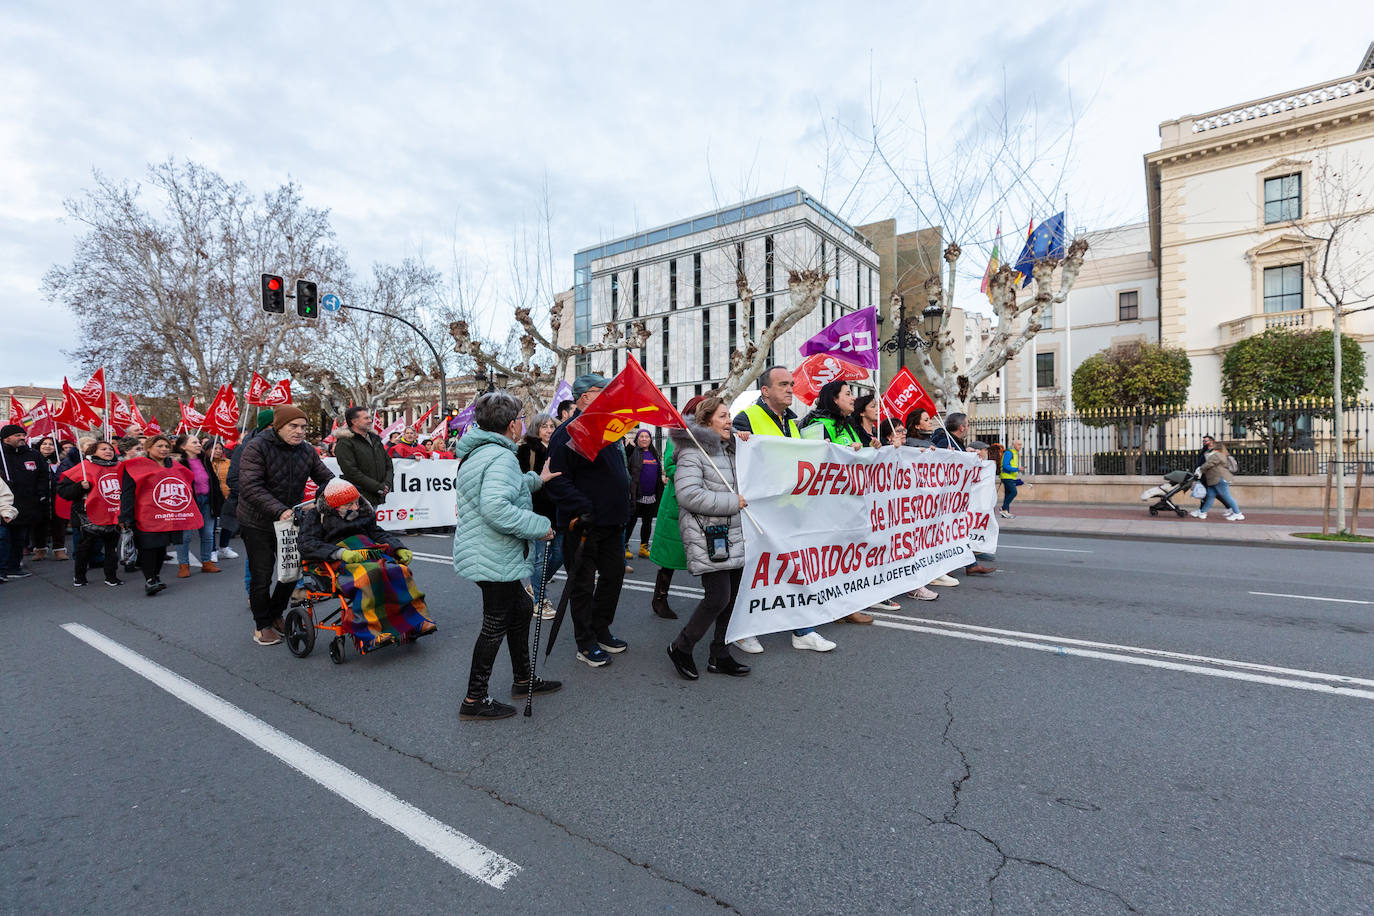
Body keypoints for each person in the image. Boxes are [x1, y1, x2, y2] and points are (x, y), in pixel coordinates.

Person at [452, 392, 561, 721]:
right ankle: (474, 699)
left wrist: (535, 480)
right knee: (495, 623)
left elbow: (503, 489)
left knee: (522, 608)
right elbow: (496, 507)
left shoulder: (484, 452)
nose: (523, 424)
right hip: (492, 553)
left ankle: (523, 678)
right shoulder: (498, 457)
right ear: (512, 424)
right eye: (521, 419)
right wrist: (538, 526)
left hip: (490, 551)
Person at [732, 367, 842, 647]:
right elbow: (739, 462)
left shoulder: (792, 423)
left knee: (798, 567)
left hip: (791, 509)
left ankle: (803, 631)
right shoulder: (747, 418)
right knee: (754, 572)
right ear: (765, 391)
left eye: (791, 384)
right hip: (760, 512)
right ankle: (744, 631)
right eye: (783, 384)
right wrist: (739, 441)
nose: (790, 389)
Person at [545, 373, 632, 668]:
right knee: (581, 586)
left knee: (613, 576)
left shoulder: (607, 430)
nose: (609, 398)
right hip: (581, 525)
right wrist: (584, 508)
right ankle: (585, 642)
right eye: (602, 392)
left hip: (612, 522)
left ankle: (601, 628)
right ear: (585, 397)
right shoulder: (567, 433)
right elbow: (556, 480)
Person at [666, 397, 751, 680]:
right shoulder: (692, 453)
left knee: (733, 597)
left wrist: (746, 442)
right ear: (707, 421)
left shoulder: (730, 450)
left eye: (730, 416)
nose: (730, 421)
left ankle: (720, 653)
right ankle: (681, 646)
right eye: (724, 416)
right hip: (709, 535)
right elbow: (688, 495)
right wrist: (732, 502)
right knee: (718, 597)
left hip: (735, 533)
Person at [237, 405, 334, 646]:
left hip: (290, 521)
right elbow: (250, 487)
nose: (300, 431)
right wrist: (280, 509)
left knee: (291, 572)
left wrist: (341, 493)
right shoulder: (256, 447)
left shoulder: (307, 451)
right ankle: (262, 626)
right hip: (257, 521)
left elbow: (325, 478)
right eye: (293, 426)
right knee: (262, 574)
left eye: (303, 427)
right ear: (279, 426)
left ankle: (275, 614)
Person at [298, 478, 435, 647]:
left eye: (356, 502)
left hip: (368, 552)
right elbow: (307, 544)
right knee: (368, 577)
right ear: (334, 505)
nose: (355, 507)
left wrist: (398, 547)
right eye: (349, 505)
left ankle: (417, 621)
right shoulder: (316, 516)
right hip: (338, 560)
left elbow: (377, 533)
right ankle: (370, 633)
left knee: (400, 571)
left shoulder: (363, 510)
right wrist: (339, 553)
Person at [803, 381, 888, 617]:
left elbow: (858, 454)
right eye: (848, 394)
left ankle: (845, 602)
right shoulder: (817, 424)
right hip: (828, 507)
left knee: (848, 554)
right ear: (834, 399)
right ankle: (838, 606)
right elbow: (814, 461)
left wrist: (872, 447)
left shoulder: (848, 424)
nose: (853, 398)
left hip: (849, 502)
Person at [648, 395, 708, 621]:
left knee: (711, 554)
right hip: (678, 502)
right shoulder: (678, 434)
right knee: (669, 558)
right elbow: (670, 466)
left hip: (705, 503)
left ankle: (714, 600)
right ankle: (659, 599)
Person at [119, 434, 202, 596]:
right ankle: (150, 579)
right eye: (159, 446)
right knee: (148, 547)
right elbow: (127, 493)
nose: (164, 449)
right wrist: (125, 516)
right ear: (148, 448)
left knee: (160, 549)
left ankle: (155, 576)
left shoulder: (178, 467)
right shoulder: (135, 466)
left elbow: (187, 489)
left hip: (168, 516)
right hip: (144, 515)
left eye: (166, 446)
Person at [57, 440, 123, 587]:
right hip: (87, 516)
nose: (108, 451)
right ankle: (79, 577)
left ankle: (111, 576)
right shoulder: (83, 467)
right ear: (93, 452)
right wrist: (80, 487)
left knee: (112, 548)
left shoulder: (120, 467)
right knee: (85, 548)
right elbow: (63, 491)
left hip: (113, 514)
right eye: (103, 449)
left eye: (110, 449)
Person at [517, 413, 561, 619]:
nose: (550, 430)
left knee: (559, 554)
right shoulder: (526, 450)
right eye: (545, 427)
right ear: (536, 429)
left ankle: (535, 587)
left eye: (552, 426)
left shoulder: (560, 447)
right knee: (540, 558)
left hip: (559, 509)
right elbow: (520, 482)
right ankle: (538, 601)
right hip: (537, 511)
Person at [172, 434, 222, 577]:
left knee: (207, 533)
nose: (199, 445)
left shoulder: (205, 460)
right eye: (194, 442)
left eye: (199, 442)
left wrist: (217, 501)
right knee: (185, 536)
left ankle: (207, 563)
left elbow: (213, 480)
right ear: (183, 447)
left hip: (207, 501)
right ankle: (184, 565)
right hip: (188, 503)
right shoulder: (178, 462)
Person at [0, 423, 45, 580]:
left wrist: (41, 493)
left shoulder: (33, 454)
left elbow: (42, 475)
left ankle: (14, 566)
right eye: (17, 435)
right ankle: (2, 568)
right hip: (5, 505)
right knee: (4, 538)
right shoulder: (1, 455)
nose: (22, 438)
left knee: (19, 538)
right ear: (6, 439)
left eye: (23, 435)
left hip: (26, 505)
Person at [334, 406, 394, 507]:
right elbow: (351, 472)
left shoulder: (375, 440)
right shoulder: (345, 443)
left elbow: (388, 464)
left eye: (370, 418)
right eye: (366, 418)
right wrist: (378, 487)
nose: (370, 421)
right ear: (354, 421)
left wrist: (386, 485)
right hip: (357, 499)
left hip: (376, 496)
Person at [625, 429, 663, 559]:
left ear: (650, 439)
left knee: (647, 522)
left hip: (651, 496)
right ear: (637, 439)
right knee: (631, 521)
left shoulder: (654, 453)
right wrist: (628, 445)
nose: (644, 439)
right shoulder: (632, 452)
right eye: (641, 436)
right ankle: (624, 545)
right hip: (636, 495)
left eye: (647, 436)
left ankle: (644, 547)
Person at [31, 436, 67, 561]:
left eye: (51, 444)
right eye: (44, 444)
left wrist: (58, 468)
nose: (47, 446)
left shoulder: (62, 461)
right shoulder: (33, 460)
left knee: (59, 523)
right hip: (39, 496)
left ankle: (59, 549)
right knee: (39, 524)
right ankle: (40, 549)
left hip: (57, 496)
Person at [1192, 443, 1244, 521]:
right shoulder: (1220, 455)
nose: (1209, 447)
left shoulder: (1217, 455)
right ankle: (1202, 512)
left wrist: (1200, 469)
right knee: (1210, 496)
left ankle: (1238, 513)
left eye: (1211, 446)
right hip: (1215, 479)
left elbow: (1209, 464)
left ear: (1216, 448)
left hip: (1219, 479)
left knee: (1227, 496)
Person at [999, 439, 1023, 518]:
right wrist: (1017, 469)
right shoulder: (1009, 453)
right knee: (1013, 492)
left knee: (1008, 494)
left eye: (1021, 444)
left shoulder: (1014, 453)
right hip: (1006, 476)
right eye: (1018, 444)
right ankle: (1003, 508)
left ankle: (1005, 513)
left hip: (1010, 477)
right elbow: (1005, 465)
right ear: (1014, 445)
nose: (1020, 446)